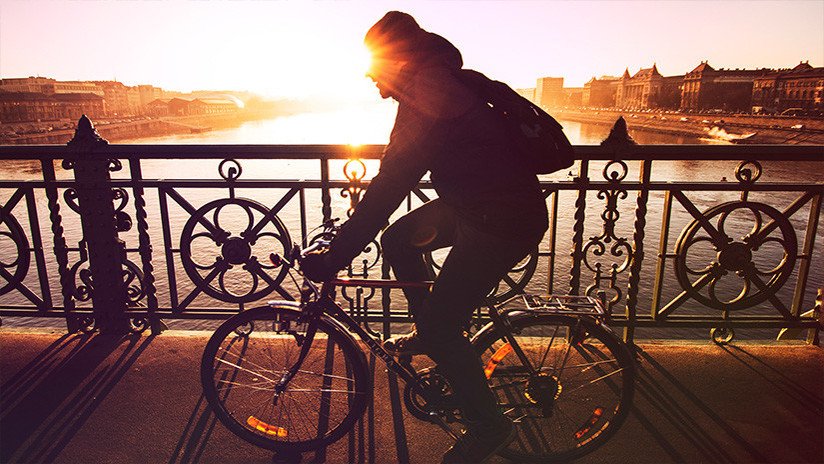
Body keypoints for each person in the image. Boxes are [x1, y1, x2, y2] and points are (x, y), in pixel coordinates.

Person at [300, 11, 548, 464]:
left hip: (501, 220)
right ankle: (434, 332)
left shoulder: (430, 94)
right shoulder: (438, 80)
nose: (375, 86)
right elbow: (393, 182)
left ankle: (490, 426)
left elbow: (391, 184)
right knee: (398, 241)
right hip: (481, 204)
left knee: (440, 325)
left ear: (397, 62)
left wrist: (335, 256)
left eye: (375, 73)